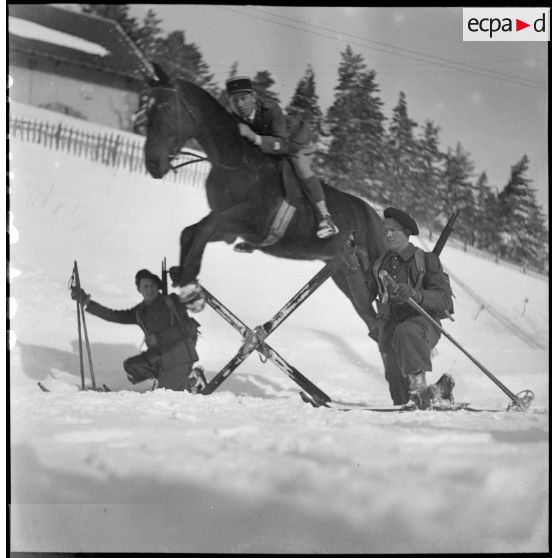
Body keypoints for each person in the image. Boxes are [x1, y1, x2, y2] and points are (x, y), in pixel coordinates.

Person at [225, 75, 339, 243]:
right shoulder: (234, 116)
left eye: (243, 98)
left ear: (254, 97)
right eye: (235, 100)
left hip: (295, 140)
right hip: (272, 143)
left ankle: (326, 218)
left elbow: (284, 145)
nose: (240, 105)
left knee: (300, 167)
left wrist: (254, 137)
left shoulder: (271, 109)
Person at [365, 207, 455, 409]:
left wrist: (417, 294)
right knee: (400, 399)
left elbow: (444, 300)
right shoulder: (379, 264)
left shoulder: (425, 260)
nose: (387, 234)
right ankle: (441, 389)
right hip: (390, 330)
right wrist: (351, 264)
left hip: (423, 324)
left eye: (393, 230)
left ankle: (421, 390)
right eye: (385, 230)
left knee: (406, 332)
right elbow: (364, 299)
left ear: (406, 232)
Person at [70, 269, 207, 392]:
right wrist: (86, 302)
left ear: (158, 287)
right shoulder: (140, 311)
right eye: (145, 286)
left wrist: (184, 279)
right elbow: (114, 316)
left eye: (152, 285)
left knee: (166, 393)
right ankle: (175, 380)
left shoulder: (172, 301)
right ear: (139, 289)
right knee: (133, 366)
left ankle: (192, 381)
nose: (149, 289)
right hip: (160, 356)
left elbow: (196, 298)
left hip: (179, 354)